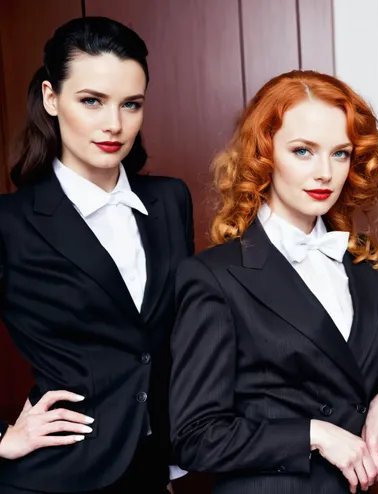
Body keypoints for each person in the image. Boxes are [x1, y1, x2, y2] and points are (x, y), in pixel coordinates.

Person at [169, 70, 378, 494]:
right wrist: (314, 434)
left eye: (340, 154)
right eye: (302, 151)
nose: (325, 173)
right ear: (264, 153)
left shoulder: (366, 264)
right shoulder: (213, 276)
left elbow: (362, 382)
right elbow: (194, 437)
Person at [0, 17, 193, 493]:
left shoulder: (170, 201)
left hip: (153, 472)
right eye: (92, 101)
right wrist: (2, 438)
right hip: (57, 476)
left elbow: (170, 342)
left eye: (131, 104)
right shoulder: (10, 222)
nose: (114, 124)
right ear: (51, 98)